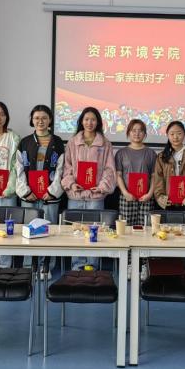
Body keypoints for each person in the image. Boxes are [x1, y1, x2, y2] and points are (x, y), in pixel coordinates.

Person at [61, 107, 116, 270]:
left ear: (98, 122)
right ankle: (77, 265)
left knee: (95, 231)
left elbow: (109, 169)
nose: (89, 123)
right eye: (86, 119)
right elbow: (67, 167)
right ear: (81, 121)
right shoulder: (72, 142)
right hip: (75, 195)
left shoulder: (105, 143)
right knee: (76, 231)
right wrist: (72, 184)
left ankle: (92, 265)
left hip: (95, 196)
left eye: (93, 119)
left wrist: (102, 187)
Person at [15, 105, 65, 276]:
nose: (40, 121)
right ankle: (29, 266)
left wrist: (52, 191)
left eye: (44, 118)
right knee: (28, 231)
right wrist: (25, 191)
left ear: (50, 120)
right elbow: (19, 169)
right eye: (36, 118)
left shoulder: (58, 142)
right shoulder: (25, 142)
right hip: (29, 195)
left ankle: (46, 266)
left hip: (49, 196)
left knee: (47, 230)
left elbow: (61, 169)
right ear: (32, 120)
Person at [153, 121, 185, 212]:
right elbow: (158, 178)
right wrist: (161, 197)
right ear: (167, 135)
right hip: (168, 202)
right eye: (172, 134)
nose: (175, 137)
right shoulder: (162, 156)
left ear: (184, 134)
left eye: (179, 133)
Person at [115, 119, 157, 226]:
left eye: (140, 131)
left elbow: (154, 176)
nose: (137, 133)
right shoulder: (121, 153)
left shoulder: (151, 153)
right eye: (134, 130)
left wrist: (150, 194)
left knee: (146, 228)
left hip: (146, 197)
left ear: (144, 134)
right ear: (128, 132)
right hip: (127, 196)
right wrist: (125, 193)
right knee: (126, 228)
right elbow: (118, 175)